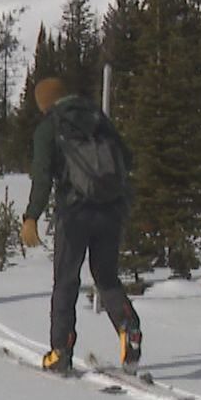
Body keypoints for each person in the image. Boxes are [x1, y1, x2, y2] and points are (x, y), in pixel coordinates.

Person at [21, 76, 140, 373]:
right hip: (111, 210)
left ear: (44, 103)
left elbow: (42, 176)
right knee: (106, 277)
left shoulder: (49, 127)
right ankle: (128, 327)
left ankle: (61, 351)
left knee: (66, 280)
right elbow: (127, 159)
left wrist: (31, 216)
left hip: (74, 214)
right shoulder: (98, 118)